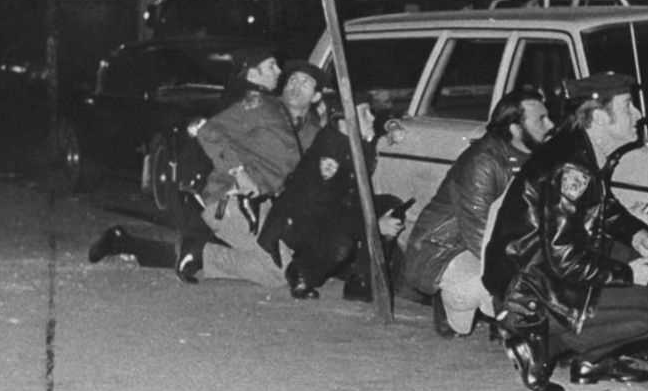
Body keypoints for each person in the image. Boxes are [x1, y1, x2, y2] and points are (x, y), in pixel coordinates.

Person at [483, 72, 648, 391]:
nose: (639, 116)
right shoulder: (571, 166)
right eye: (628, 107)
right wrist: (628, 274)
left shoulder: (578, 149)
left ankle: (591, 361)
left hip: (537, 270)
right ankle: (541, 339)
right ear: (599, 117)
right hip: (531, 289)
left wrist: (640, 237)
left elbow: (605, 209)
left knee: (632, 258)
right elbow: (565, 258)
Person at [88, 45, 292, 278]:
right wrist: (239, 174)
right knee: (268, 266)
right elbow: (209, 135)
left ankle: (124, 242)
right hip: (231, 198)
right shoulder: (251, 101)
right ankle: (172, 250)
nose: (279, 71)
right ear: (252, 74)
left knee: (216, 255)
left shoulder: (258, 100)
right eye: (271, 66)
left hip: (238, 198)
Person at [399, 86, 555, 338]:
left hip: (502, 243)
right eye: (541, 119)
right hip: (447, 246)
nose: (551, 124)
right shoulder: (482, 162)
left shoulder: (541, 158)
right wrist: (526, 271)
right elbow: (479, 233)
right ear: (516, 129)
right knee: (495, 289)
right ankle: (451, 299)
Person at [257, 103, 408, 300]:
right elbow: (329, 209)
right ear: (346, 119)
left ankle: (362, 282)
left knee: (390, 205)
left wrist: (391, 125)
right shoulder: (330, 151)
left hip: (335, 210)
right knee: (341, 243)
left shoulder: (350, 137)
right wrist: (374, 226)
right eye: (365, 113)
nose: (371, 118)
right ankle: (302, 272)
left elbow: (377, 122)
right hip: (301, 220)